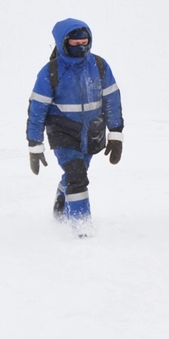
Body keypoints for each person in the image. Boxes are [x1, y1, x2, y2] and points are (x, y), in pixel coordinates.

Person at [26, 18, 124, 235]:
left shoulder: (99, 65)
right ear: (63, 43)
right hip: (62, 131)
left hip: (92, 131)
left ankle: (62, 198)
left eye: (84, 42)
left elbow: (111, 99)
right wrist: (35, 144)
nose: (81, 46)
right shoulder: (50, 71)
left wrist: (116, 133)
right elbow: (37, 109)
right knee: (78, 176)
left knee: (77, 173)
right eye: (75, 43)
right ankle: (81, 226)